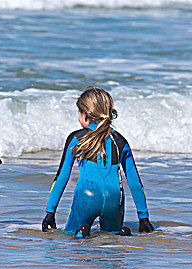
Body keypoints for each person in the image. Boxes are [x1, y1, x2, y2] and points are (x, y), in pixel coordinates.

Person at [42, 87, 154, 238]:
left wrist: (50, 212)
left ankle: (82, 234)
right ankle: (121, 234)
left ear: (85, 115)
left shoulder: (76, 139)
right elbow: (134, 182)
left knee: (70, 235)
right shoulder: (120, 141)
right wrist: (143, 217)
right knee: (111, 238)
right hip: (114, 198)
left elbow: (61, 177)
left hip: (86, 196)